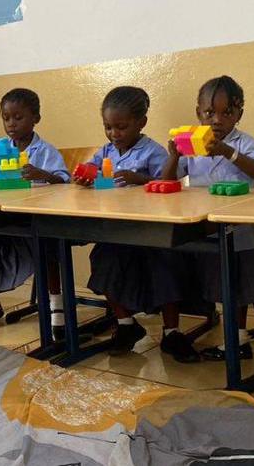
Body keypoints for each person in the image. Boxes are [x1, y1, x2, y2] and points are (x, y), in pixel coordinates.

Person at [161, 75, 254, 364]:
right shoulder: (192, 144)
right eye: (209, 113)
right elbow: (167, 181)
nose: (217, 120)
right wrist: (174, 156)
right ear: (199, 113)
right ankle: (238, 341)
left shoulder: (245, 142)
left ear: (239, 114)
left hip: (244, 231)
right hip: (210, 231)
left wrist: (227, 152)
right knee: (228, 287)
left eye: (227, 113)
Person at [0, 88, 70, 331]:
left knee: (48, 249)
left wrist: (43, 174)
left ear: (36, 118)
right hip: (5, 216)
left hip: (38, 219)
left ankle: (56, 305)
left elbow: (64, 181)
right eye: (6, 118)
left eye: (18, 117)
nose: (11, 123)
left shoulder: (45, 151)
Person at [82, 86, 169, 355]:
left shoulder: (154, 152)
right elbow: (92, 168)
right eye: (108, 127)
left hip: (150, 231)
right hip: (115, 228)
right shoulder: (107, 151)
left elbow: (172, 185)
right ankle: (125, 322)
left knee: (164, 266)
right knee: (102, 260)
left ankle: (172, 330)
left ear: (141, 123)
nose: (114, 134)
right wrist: (86, 174)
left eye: (121, 127)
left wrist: (140, 179)